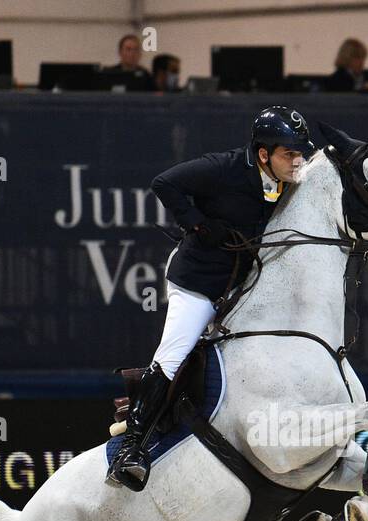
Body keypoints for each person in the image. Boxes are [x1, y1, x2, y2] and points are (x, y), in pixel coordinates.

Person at [105, 106, 316, 491]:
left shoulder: (291, 178)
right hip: (199, 282)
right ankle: (131, 449)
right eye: (290, 154)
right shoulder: (222, 168)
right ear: (263, 153)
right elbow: (163, 183)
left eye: (301, 153)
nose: (298, 161)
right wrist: (199, 224)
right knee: (174, 353)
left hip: (244, 284)